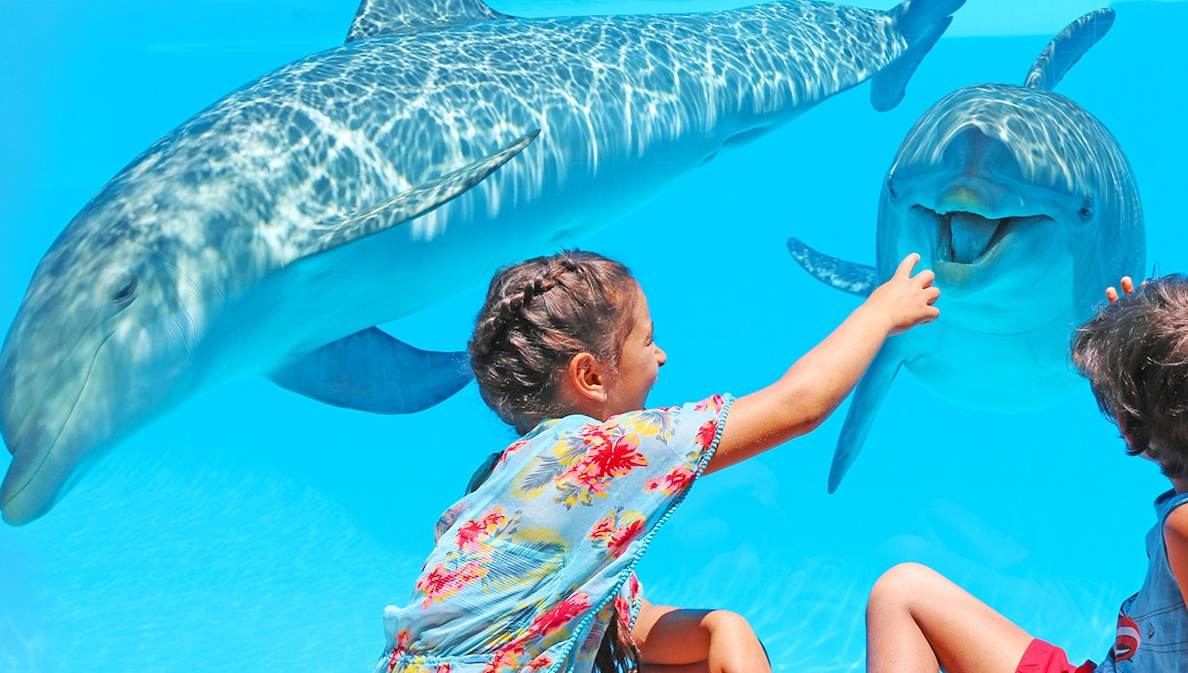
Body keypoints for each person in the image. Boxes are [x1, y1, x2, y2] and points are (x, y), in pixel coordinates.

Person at [376, 249, 940, 673]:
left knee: (712, 635)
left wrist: (725, 630)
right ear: (591, 377)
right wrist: (882, 312)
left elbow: (617, 626)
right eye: (647, 341)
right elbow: (800, 404)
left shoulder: (499, 480)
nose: (662, 355)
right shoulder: (597, 449)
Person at [864, 275, 1188, 673]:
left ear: (1126, 427)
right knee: (905, 584)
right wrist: (1126, 342)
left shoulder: (1183, 525)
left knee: (899, 588)